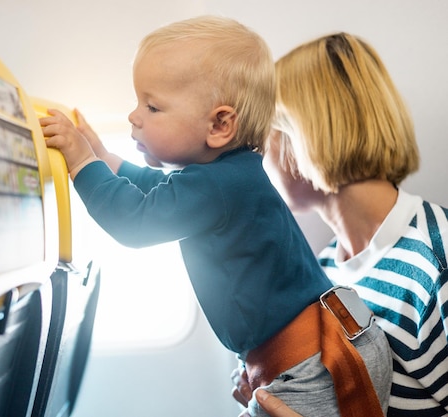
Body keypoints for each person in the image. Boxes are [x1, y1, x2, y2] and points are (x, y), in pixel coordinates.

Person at [40, 16, 391, 417]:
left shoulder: (219, 185)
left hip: (313, 365)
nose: (134, 116)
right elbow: (157, 189)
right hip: (328, 342)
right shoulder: (225, 177)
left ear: (220, 124)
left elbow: (136, 223)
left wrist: (83, 161)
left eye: (152, 106)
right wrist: (104, 157)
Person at [234, 31, 448, 416]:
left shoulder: (437, 259)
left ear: (302, 139)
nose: (261, 160)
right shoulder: (326, 268)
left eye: (265, 140)